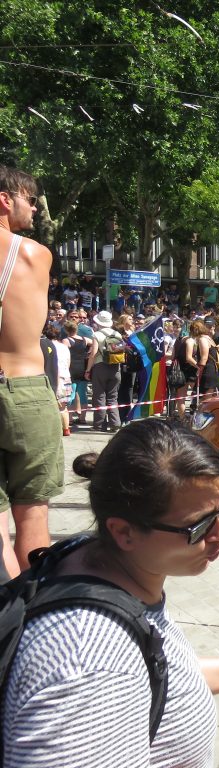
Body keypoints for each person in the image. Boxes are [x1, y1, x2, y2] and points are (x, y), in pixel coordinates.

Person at [3, 419, 219, 766]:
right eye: (200, 526)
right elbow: (114, 677)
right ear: (124, 531)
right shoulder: (89, 670)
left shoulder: (90, 559)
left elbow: (155, 675)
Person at [0, 167, 61, 577]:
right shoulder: (35, 255)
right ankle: (33, 609)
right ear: (5, 200)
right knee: (33, 514)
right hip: (26, 391)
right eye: (29, 198)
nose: (36, 206)